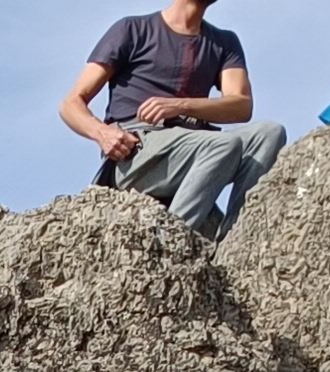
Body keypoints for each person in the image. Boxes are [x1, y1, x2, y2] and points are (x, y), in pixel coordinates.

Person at [64, 0, 290, 240]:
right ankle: (170, 242)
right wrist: (103, 134)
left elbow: (241, 105)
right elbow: (71, 103)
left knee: (269, 133)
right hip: (139, 148)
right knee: (223, 145)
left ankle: (236, 241)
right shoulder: (133, 29)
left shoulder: (224, 42)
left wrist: (179, 105)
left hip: (195, 144)